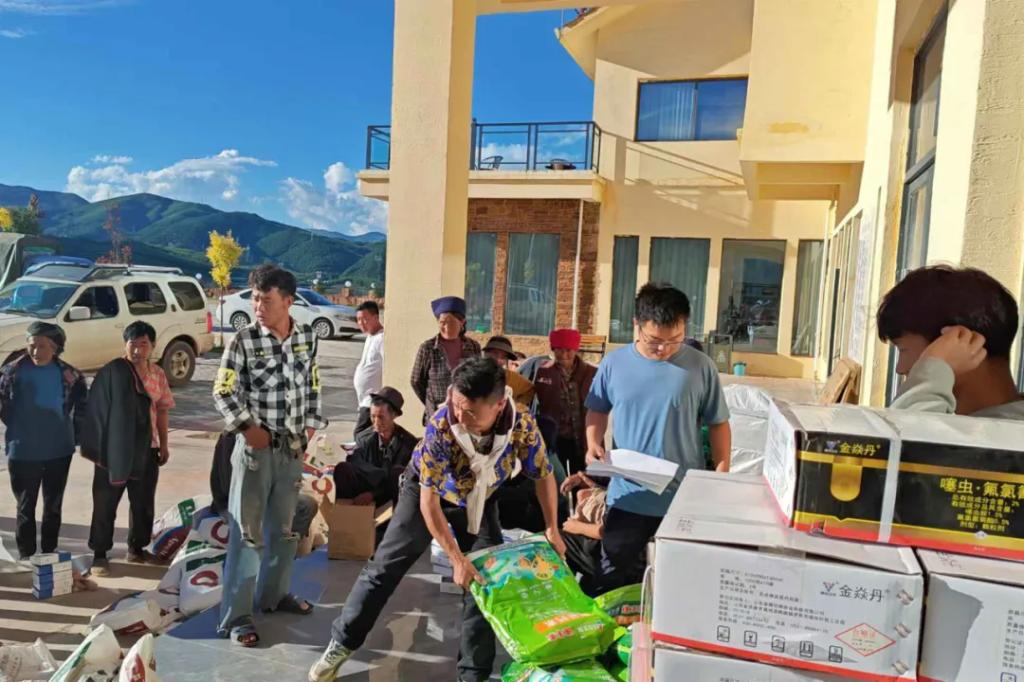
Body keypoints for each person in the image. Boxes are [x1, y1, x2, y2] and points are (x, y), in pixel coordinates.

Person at [309, 358, 565, 682]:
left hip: (479, 499)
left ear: (499, 405)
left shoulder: (522, 424)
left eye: (470, 412)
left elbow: (543, 475)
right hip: (425, 493)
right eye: (456, 404)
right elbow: (429, 503)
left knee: (485, 579)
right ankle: (341, 644)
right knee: (384, 568)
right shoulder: (442, 426)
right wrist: (456, 559)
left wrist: (552, 528)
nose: (459, 416)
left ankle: (473, 674)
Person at [585, 283, 731, 594]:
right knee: (613, 581)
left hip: (682, 500)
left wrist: (721, 474)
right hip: (628, 496)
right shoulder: (614, 364)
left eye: (674, 339)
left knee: (679, 585)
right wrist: (593, 442)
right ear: (636, 325)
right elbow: (597, 410)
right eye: (655, 341)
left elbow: (718, 423)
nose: (664, 349)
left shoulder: (700, 367)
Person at [213, 264, 328, 647]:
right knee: (247, 535)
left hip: (291, 450)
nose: (258, 306)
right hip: (255, 453)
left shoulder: (307, 338)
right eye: (255, 299)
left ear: (288, 301)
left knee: (284, 530)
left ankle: (273, 596)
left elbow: (313, 385)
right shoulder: (243, 340)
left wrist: (310, 426)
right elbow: (223, 391)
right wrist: (248, 428)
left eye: (266, 300)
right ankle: (237, 617)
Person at [83, 321, 175, 576]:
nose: (137, 350)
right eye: (132, 344)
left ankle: (137, 548)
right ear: (125, 345)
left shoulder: (158, 374)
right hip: (114, 451)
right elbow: (97, 412)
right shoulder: (112, 373)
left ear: (152, 346)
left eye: (143, 344)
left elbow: (162, 410)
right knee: (105, 502)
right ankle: (100, 554)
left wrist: (164, 444)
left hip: (147, 448)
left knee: (143, 502)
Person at [878, 265, 1024, 419]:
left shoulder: (1004, 431)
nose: (900, 368)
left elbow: (906, 431)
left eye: (903, 350)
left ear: (960, 340)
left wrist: (932, 371)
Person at [0, 322, 87, 560]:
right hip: (23, 451)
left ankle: (49, 553)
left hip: (59, 451)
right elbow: (4, 408)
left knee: (53, 506)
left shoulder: (71, 375)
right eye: (32, 345)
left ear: (55, 347)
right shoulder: (10, 372)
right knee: (25, 507)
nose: (36, 352)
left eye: (42, 346)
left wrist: (76, 438)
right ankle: (26, 556)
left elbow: (82, 410)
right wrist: (22, 429)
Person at [209, 431, 319, 544]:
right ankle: (277, 547)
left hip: (254, 496)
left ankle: (284, 547)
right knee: (304, 507)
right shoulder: (243, 437)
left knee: (303, 502)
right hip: (236, 503)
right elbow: (234, 488)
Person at [333, 386, 418, 507]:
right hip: (365, 488)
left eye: (381, 417)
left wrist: (373, 494)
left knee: (398, 473)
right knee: (343, 469)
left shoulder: (408, 443)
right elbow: (359, 468)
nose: (376, 422)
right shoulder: (364, 438)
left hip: (389, 495)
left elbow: (405, 480)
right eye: (373, 416)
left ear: (394, 415)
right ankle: (346, 512)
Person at [533, 328, 597, 475]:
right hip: (555, 438)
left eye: (568, 350)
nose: (563, 355)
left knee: (583, 477)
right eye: (559, 350)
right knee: (556, 477)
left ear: (576, 350)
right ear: (553, 349)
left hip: (582, 436)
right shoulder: (542, 371)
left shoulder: (592, 373)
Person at [411, 296, 481, 424]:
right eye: (442, 322)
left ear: (462, 322)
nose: (446, 327)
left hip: (465, 416)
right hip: (437, 416)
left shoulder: (473, 347)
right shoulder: (428, 348)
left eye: (451, 323)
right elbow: (416, 381)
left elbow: (478, 378)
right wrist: (430, 402)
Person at [352, 300, 384, 438]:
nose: (361, 323)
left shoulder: (382, 338)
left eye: (365, 319)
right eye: (358, 320)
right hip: (363, 401)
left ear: (376, 317)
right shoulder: (370, 337)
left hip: (372, 400)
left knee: (360, 435)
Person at [482, 335, 535, 406]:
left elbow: (530, 390)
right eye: (495, 353)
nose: (498, 360)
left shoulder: (511, 377)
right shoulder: (473, 374)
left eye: (503, 357)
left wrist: (516, 406)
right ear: (485, 354)